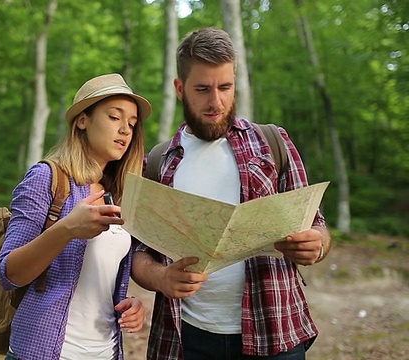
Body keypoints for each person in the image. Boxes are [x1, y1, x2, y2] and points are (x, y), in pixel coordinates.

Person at [130, 27, 332, 360]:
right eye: (202, 89)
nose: (216, 101)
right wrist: (162, 277)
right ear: (180, 89)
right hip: (187, 338)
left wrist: (317, 244)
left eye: (225, 87)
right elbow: (139, 250)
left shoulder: (272, 143)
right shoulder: (157, 162)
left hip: (275, 331)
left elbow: (318, 226)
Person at [0, 73, 152, 360]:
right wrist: (67, 229)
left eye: (131, 124)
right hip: (45, 351)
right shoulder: (47, 178)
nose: (125, 130)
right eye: (114, 117)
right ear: (82, 120)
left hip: (107, 352)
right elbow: (9, 274)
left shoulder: (119, 195)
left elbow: (98, 280)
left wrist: (128, 304)